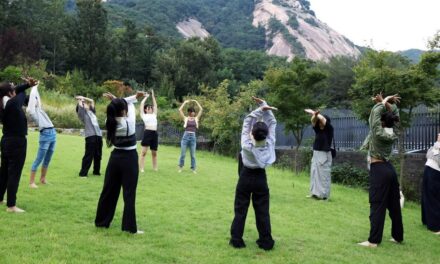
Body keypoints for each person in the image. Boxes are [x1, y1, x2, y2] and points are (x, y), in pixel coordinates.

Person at [230, 96, 277, 250]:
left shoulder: (246, 145)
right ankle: (266, 242)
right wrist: (266, 106)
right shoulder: (269, 143)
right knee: (263, 211)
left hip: (245, 176)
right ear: (266, 134)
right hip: (260, 178)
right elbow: (273, 123)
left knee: (240, 209)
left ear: (252, 133)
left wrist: (260, 109)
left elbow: (247, 121)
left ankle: (236, 240)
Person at [95, 91, 145, 234]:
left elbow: (121, 106)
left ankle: (101, 222)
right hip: (129, 159)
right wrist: (131, 97)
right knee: (129, 193)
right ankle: (129, 228)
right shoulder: (129, 121)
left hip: (115, 158)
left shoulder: (109, 121)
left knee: (108, 190)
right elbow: (126, 105)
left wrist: (115, 100)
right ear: (123, 110)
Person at [358, 93, 404, 247]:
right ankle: (398, 237)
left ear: (382, 122)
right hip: (389, 169)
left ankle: (373, 241)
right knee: (394, 205)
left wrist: (383, 102)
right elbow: (393, 115)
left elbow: (374, 117)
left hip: (379, 170)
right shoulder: (392, 132)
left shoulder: (378, 133)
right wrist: (386, 103)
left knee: (377, 205)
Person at [0, 77, 38, 213]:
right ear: (10, 93)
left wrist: (27, 84)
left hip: (6, 141)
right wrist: (30, 85)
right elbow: (20, 93)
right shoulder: (13, 103)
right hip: (16, 142)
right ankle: (11, 206)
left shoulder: (5, 103)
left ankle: (0, 198)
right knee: (14, 173)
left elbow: (17, 90)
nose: (15, 88)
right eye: (12, 87)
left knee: (4, 171)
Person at [26, 84, 57, 188]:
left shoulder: (38, 108)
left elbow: (36, 97)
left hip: (53, 133)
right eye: (33, 101)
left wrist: (36, 87)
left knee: (48, 159)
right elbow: (32, 98)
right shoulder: (31, 112)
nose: (36, 101)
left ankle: (43, 179)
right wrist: (33, 88)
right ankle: (31, 182)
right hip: (45, 134)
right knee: (39, 159)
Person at [304, 109, 334, 200]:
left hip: (324, 155)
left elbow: (324, 120)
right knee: (314, 174)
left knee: (323, 175)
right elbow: (313, 121)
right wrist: (315, 115)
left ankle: (324, 196)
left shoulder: (329, 129)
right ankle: (314, 193)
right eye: (319, 121)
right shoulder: (318, 129)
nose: (320, 123)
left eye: (321, 121)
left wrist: (315, 113)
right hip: (316, 153)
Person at [76, 96, 103, 177]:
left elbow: (92, 101)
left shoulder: (92, 112)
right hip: (90, 136)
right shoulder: (83, 114)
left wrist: (84, 97)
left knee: (98, 155)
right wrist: (80, 100)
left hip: (98, 136)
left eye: (86, 104)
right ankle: (83, 174)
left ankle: (96, 172)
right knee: (88, 155)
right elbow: (80, 105)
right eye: (84, 104)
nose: (86, 104)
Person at [421, 134, 440, 235]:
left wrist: (437, 149)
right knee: (425, 196)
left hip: (436, 173)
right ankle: (426, 220)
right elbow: (428, 155)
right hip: (428, 170)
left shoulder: (437, 146)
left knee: (433, 198)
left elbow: (437, 159)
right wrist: (436, 147)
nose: (438, 135)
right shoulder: (434, 146)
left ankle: (436, 226)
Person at [178, 99, 203, 173]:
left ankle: (193, 169)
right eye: (192, 112)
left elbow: (201, 109)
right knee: (183, 154)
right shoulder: (185, 118)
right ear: (189, 112)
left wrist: (196, 101)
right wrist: (184, 102)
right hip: (185, 137)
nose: (194, 113)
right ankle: (181, 167)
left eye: (194, 112)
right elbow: (180, 110)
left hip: (193, 137)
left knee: (193, 155)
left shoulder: (196, 119)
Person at [139, 90, 158, 172]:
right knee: (143, 152)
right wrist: (146, 97)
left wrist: (153, 96)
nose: (151, 108)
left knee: (154, 153)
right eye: (149, 108)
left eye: (151, 107)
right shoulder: (144, 115)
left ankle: (155, 168)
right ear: (146, 110)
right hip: (147, 133)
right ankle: (142, 168)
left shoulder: (154, 114)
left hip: (154, 133)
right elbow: (141, 105)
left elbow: (155, 105)